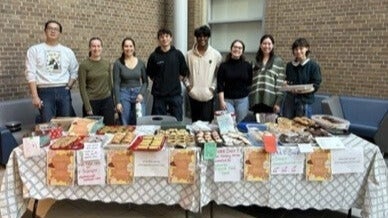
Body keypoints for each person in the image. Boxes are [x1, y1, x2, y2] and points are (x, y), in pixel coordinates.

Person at [25, 20, 78, 123]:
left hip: (63, 90)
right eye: (50, 28)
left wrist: (69, 86)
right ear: (45, 31)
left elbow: (74, 70)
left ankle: (65, 139)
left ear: (60, 33)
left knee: (66, 122)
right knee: (48, 123)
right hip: (44, 91)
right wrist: (35, 96)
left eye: (56, 29)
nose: (53, 31)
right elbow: (30, 73)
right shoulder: (35, 50)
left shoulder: (67, 52)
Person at [146, 28, 188, 121]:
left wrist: (174, 81)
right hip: (159, 96)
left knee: (177, 122)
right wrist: (160, 83)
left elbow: (183, 72)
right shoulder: (154, 56)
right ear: (158, 39)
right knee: (158, 123)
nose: (164, 39)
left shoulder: (178, 54)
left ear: (171, 38)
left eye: (166, 36)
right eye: (161, 37)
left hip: (175, 95)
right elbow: (151, 74)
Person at [185, 25, 222, 123]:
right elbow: (184, 74)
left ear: (208, 37)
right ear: (196, 38)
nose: (202, 39)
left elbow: (218, 75)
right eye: (199, 36)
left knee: (207, 126)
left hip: (208, 96)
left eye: (205, 36)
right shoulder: (188, 55)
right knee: (194, 124)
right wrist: (189, 88)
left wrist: (212, 88)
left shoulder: (216, 55)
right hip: (193, 95)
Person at [78, 37, 115, 125]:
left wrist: (113, 102)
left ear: (101, 48)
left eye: (98, 46)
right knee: (92, 131)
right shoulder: (84, 65)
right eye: (93, 46)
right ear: (89, 48)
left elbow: (110, 83)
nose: (96, 48)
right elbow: (82, 87)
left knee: (109, 128)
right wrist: (87, 107)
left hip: (107, 101)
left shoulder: (106, 63)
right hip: (92, 102)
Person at [282, 37, 322, 118]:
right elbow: (288, 80)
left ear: (307, 48)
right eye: (296, 49)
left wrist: (303, 91)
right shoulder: (289, 65)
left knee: (302, 126)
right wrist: (286, 83)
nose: (298, 51)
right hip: (290, 101)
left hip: (304, 101)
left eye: (301, 48)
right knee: (286, 124)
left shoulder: (313, 66)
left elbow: (316, 84)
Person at [113, 37, 148, 125]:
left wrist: (141, 93)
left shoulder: (140, 63)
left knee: (140, 122)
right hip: (124, 94)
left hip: (138, 94)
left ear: (134, 48)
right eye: (126, 46)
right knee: (125, 123)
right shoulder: (118, 64)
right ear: (122, 48)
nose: (128, 48)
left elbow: (145, 82)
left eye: (130, 46)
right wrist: (117, 102)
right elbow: (116, 84)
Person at [217, 40, 253, 123]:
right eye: (235, 47)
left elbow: (249, 82)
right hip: (227, 100)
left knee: (240, 124)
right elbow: (220, 85)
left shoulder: (247, 66)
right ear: (231, 49)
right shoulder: (223, 66)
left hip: (243, 100)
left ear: (242, 51)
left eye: (240, 48)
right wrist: (221, 101)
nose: (237, 49)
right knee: (228, 124)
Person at [249, 34, 285, 115]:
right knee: (256, 126)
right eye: (264, 43)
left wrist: (278, 103)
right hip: (256, 100)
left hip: (271, 101)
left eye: (269, 44)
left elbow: (280, 84)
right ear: (260, 45)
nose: (266, 46)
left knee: (269, 126)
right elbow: (250, 81)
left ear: (273, 45)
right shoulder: (254, 61)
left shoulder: (278, 61)